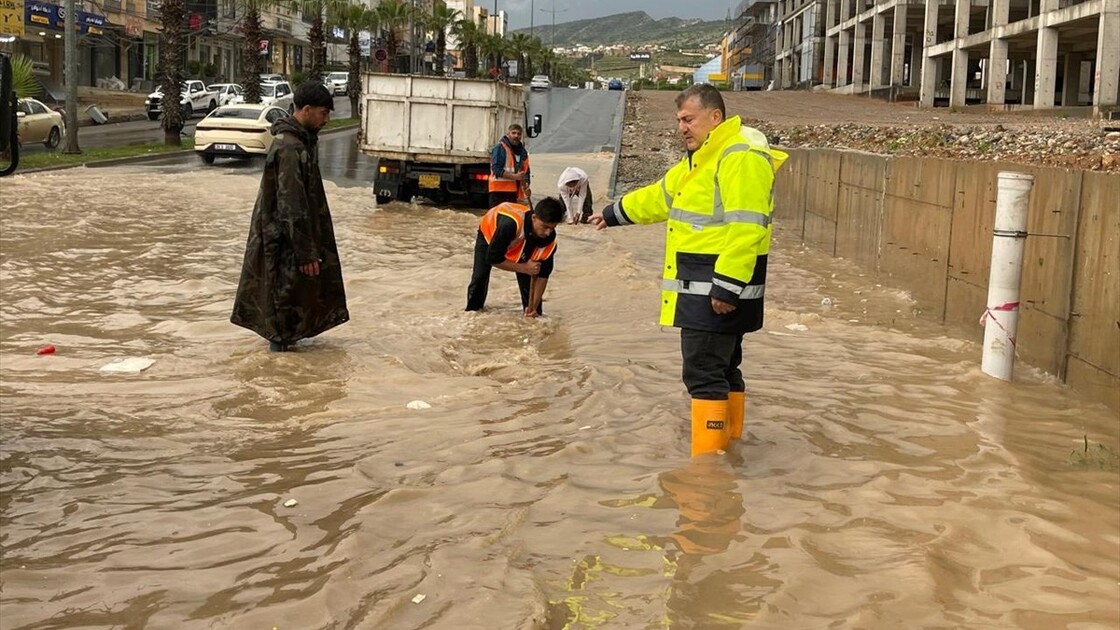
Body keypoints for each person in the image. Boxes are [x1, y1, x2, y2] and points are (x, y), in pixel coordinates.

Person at [588, 84, 787, 456]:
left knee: (703, 372)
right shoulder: (704, 157)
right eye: (679, 120)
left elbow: (747, 226)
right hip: (709, 287)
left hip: (716, 289)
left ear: (715, 117)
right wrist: (613, 213)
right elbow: (660, 197)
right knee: (723, 369)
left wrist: (727, 288)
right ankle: (730, 450)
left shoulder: (739, 155)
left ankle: (708, 472)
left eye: (689, 119)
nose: (682, 127)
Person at [230, 81, 349, 352]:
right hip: (283, 244)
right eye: (324, 113)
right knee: (282, 310)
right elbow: (291, 205)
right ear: (306, 110)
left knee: (293, 304)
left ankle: (289, 365)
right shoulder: (290, 148)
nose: (327, 119)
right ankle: (280, 370)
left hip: (289, 241)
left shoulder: (301, 142)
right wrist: (306, 253)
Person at [465, 197, 564, 317]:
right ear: (534, 218)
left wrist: (532, 307)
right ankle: (473, 314)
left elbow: (543, 277)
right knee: (480, 277)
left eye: (552, 228)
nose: (548, 232)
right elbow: (492, 259)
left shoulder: (549, 242)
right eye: (545, 227)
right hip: (489, 235)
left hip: (521, 242)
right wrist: (524, 268)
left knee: (534, 310)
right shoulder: (510, 224)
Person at [489, 123, 531, 208]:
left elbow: (526, 171)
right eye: (513, 133)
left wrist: (526, 185)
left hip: (513, 192)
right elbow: (496, 169)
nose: (516, 136)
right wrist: (515, 176)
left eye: (519, 134)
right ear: (508, 134)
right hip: (498, 192)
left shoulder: (523, 152)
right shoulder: (500, 148)